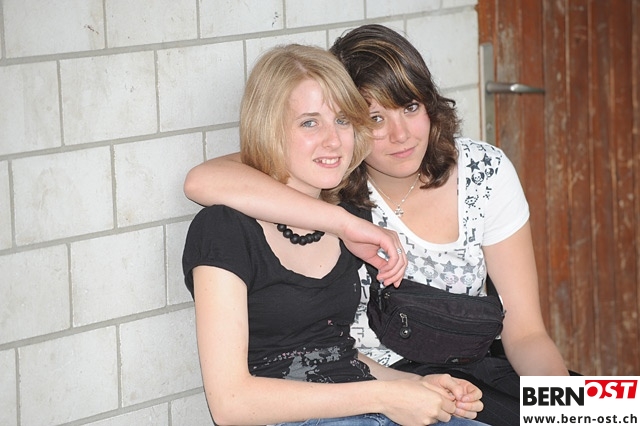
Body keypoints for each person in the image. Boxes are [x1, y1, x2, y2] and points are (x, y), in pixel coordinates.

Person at [184, 26, 571, 425]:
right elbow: (204, 180)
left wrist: (567, 408)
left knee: (605, 410)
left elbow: (527, 331)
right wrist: (344, 223)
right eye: (374, 117)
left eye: (410, 107)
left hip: (461, 370)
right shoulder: (338, 191)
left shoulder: (481, 170)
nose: (400, 135)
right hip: (384, 383)